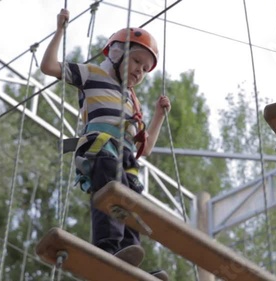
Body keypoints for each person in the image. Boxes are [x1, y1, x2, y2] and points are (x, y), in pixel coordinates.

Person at [41, 8, 170, 280]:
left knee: (131, 197)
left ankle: (128, 256)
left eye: (145, 69)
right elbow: (49, 66)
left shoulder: (132, 102)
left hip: (125, 155)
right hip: (100, 148)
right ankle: (107, 249)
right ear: (115, 53)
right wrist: (60, 31)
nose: (140, 71)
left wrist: (158, 116)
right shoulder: (92, 74)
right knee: (111, 184)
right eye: (136, 61)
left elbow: (143, 149)